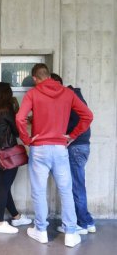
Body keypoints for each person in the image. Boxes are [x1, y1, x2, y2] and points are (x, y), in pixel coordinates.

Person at [16, 64, 93, 247]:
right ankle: (71, 233)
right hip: (60, 148)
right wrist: (72, 136)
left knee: (39, 191)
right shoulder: (68, 93)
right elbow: (88, 116)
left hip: (39, 149)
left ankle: (41, 230)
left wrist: (27, 139)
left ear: (35, 78)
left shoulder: (33, 94)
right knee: (66, 190)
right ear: (49, 75)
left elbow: (20, 118)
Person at [0, 82, 32, 234]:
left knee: (5, 186)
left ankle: (16, 217)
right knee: (4, 187)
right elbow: (16, 132)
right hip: (8, 154)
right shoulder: (6, 110)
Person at [50, 73, 96, 235]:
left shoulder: (68, 97)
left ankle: (81, 223)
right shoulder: (75, 95)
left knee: (74, 186)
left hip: (75, 146)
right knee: (77, 185)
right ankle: (87, 221)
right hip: (82, 146)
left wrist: (72, 135)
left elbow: (82, 119)